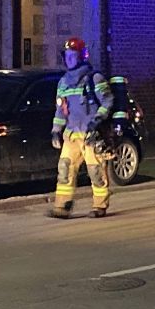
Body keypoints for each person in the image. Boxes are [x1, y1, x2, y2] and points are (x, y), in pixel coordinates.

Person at [49, 37, 115, 219]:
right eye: (67, 55)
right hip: (71, 135)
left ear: (82, 56)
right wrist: (56, 130)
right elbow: (60, 110)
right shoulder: (63, 83)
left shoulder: (94, 78)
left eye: (73, 55)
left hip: (90, 134)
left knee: (95, 170)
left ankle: (99, 206)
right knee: (65, 168)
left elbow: (108, 101)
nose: (69, 59)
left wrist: (97, 121)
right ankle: (62, 206)